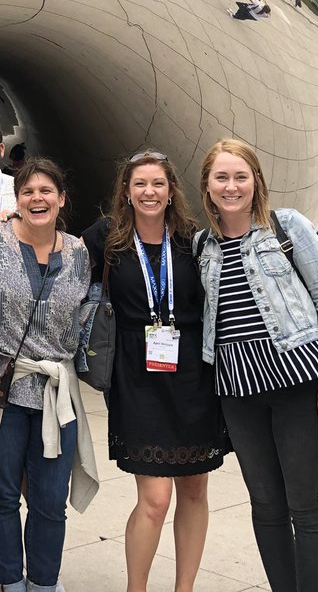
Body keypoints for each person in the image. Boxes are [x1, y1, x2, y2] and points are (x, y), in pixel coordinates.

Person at [196, 139, 318, 592]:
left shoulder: (286, 227)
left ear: (256, 181)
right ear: (207, 186)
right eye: (221, 177)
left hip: (299, 385)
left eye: (240, 176)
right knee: (265, 506)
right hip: (238, 393)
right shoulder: (203, 244)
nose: (231, 186)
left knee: (307, 507)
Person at [81, 150, 226, 592]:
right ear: (126, 191)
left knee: (196, 490)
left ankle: (185, 588)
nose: (149, 192)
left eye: (158, 184)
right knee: (155, 499)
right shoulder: (104, 238)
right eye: (140, 184)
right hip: (135, 378)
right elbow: (54, 250)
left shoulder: (191, 240)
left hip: (193, 380)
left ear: (170, 191)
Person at [0, 158, 100, 592]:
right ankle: (10, 580)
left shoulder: (80, 252)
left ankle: (44, 583)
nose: (37, 198)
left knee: (49, 499)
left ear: (62, 199)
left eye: (46, 191)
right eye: (28, 191)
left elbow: (87, 312)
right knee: (2, 493)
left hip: (54, 391)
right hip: (1, 388)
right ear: (17, 199)